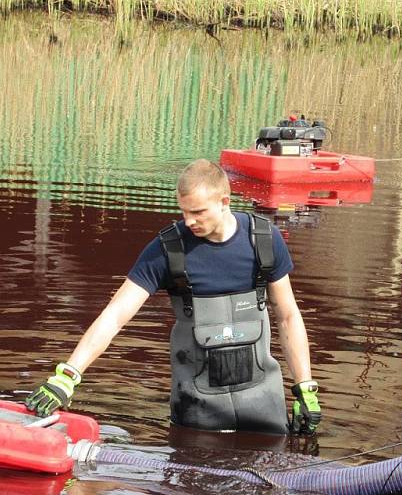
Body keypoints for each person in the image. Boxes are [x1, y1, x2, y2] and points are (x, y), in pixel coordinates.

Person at [26, 159, 321, 435]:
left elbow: (288, 316)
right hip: (197, 410)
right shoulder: (168, 250)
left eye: (198, 212)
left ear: (224, 202)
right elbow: (115, 316)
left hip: (263, 402)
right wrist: (67, 376)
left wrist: (304, 387)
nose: (189, 221)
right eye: (184, 212)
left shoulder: (264, 241)